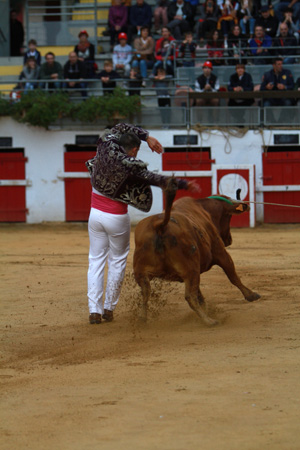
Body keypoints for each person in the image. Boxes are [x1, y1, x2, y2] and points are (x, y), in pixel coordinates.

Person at [85, 123, 198, 324]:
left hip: (94, 214)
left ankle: (94, 310)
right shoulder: (131, 166)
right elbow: (157, 179)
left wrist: (146, 137)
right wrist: (184, 184)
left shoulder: (105, 144)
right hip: (117, 217)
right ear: (135, 149)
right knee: (117, 261)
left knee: (95, 260)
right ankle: (109, 308)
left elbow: (118, 125)